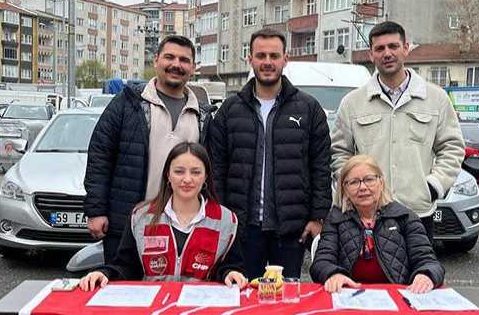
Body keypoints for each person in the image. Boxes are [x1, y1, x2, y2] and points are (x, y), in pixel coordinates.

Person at [208, 28, 332, 279]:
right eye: (261, 55)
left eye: (274, 56)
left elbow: (320, 166)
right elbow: (216, 168)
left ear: (285, 59)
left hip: (290, 229)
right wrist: (220, 217)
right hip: (242, 229)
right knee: (243, 302)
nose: (267, 62)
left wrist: (318, 216)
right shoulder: (230, 110)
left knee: (286, 302)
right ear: (250, 59)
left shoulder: (308, 109)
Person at [331, 21, 465, 242]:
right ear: (371, 54)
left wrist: (433, 186)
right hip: (367, 216)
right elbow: (339, 153)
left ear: (406, 48)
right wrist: (355, 190)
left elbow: (452, 147)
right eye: (380, 48)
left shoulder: (436, 98)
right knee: (369, 276)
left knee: (419, 275)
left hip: (417, 213)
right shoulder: (352, 103)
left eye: (393, 46)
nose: (387, 53)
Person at [84, 35, 212, 261]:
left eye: (184, 60)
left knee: (174, 292)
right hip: (126, 223)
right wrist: (96, 210)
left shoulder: (202, 115)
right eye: (169, 57)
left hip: (182, 227)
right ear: (156, 60)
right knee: (123, 290)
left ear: (192, 67)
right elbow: (100, 155)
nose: (176, 65)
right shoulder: (128, 103)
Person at [80, 142, 248, 289]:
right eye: (179, 171)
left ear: (206, 177)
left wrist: (230, 273)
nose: (187, 179)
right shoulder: (141, 217)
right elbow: (126, 265)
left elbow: (230, 267)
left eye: (196, 172)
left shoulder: (226, 220)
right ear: (168, 175)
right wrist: (105, 273)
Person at [310, 155, 444, 293]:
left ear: (381, 182)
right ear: (344, 188)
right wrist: (333, 274)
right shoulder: (335, 219)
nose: (362, 187)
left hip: (398, 298)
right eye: (354, 182)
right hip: (348, 297)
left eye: (369, 179)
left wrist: (426, 275)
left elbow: (430, 262)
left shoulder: (405, 217)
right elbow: (321, 262)